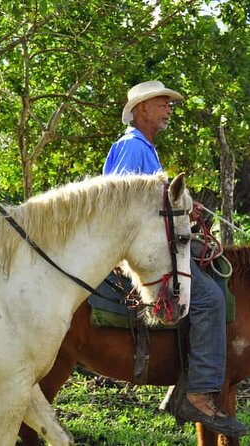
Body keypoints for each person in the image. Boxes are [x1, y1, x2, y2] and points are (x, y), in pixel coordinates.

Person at [103, 80, 247, 437]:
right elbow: (119, 207)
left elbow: (154, 201)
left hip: (156, 242)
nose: (169, 109)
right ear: (141, 110)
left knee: (214, 273)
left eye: (169, 103)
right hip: (140, 249)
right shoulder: (132, 148)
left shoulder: (145, 149)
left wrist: (182, 204)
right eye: (162, 103)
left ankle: (192, 375)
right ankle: (198, 392)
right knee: (210, 299)